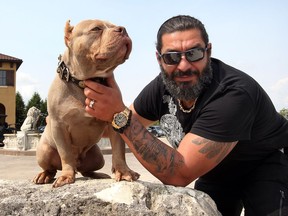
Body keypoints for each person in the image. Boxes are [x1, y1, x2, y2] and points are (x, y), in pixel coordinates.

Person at [83, 15, 288, 216]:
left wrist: (118, 114)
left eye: (194, 53)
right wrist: (64, 127)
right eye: (172, 56)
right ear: (159, 59)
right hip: (215, 172)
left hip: (267, 164)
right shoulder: (163, 86)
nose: (183, 66)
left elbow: (179, 173)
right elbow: (117, 126)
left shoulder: (233, 93)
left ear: (208, 51)